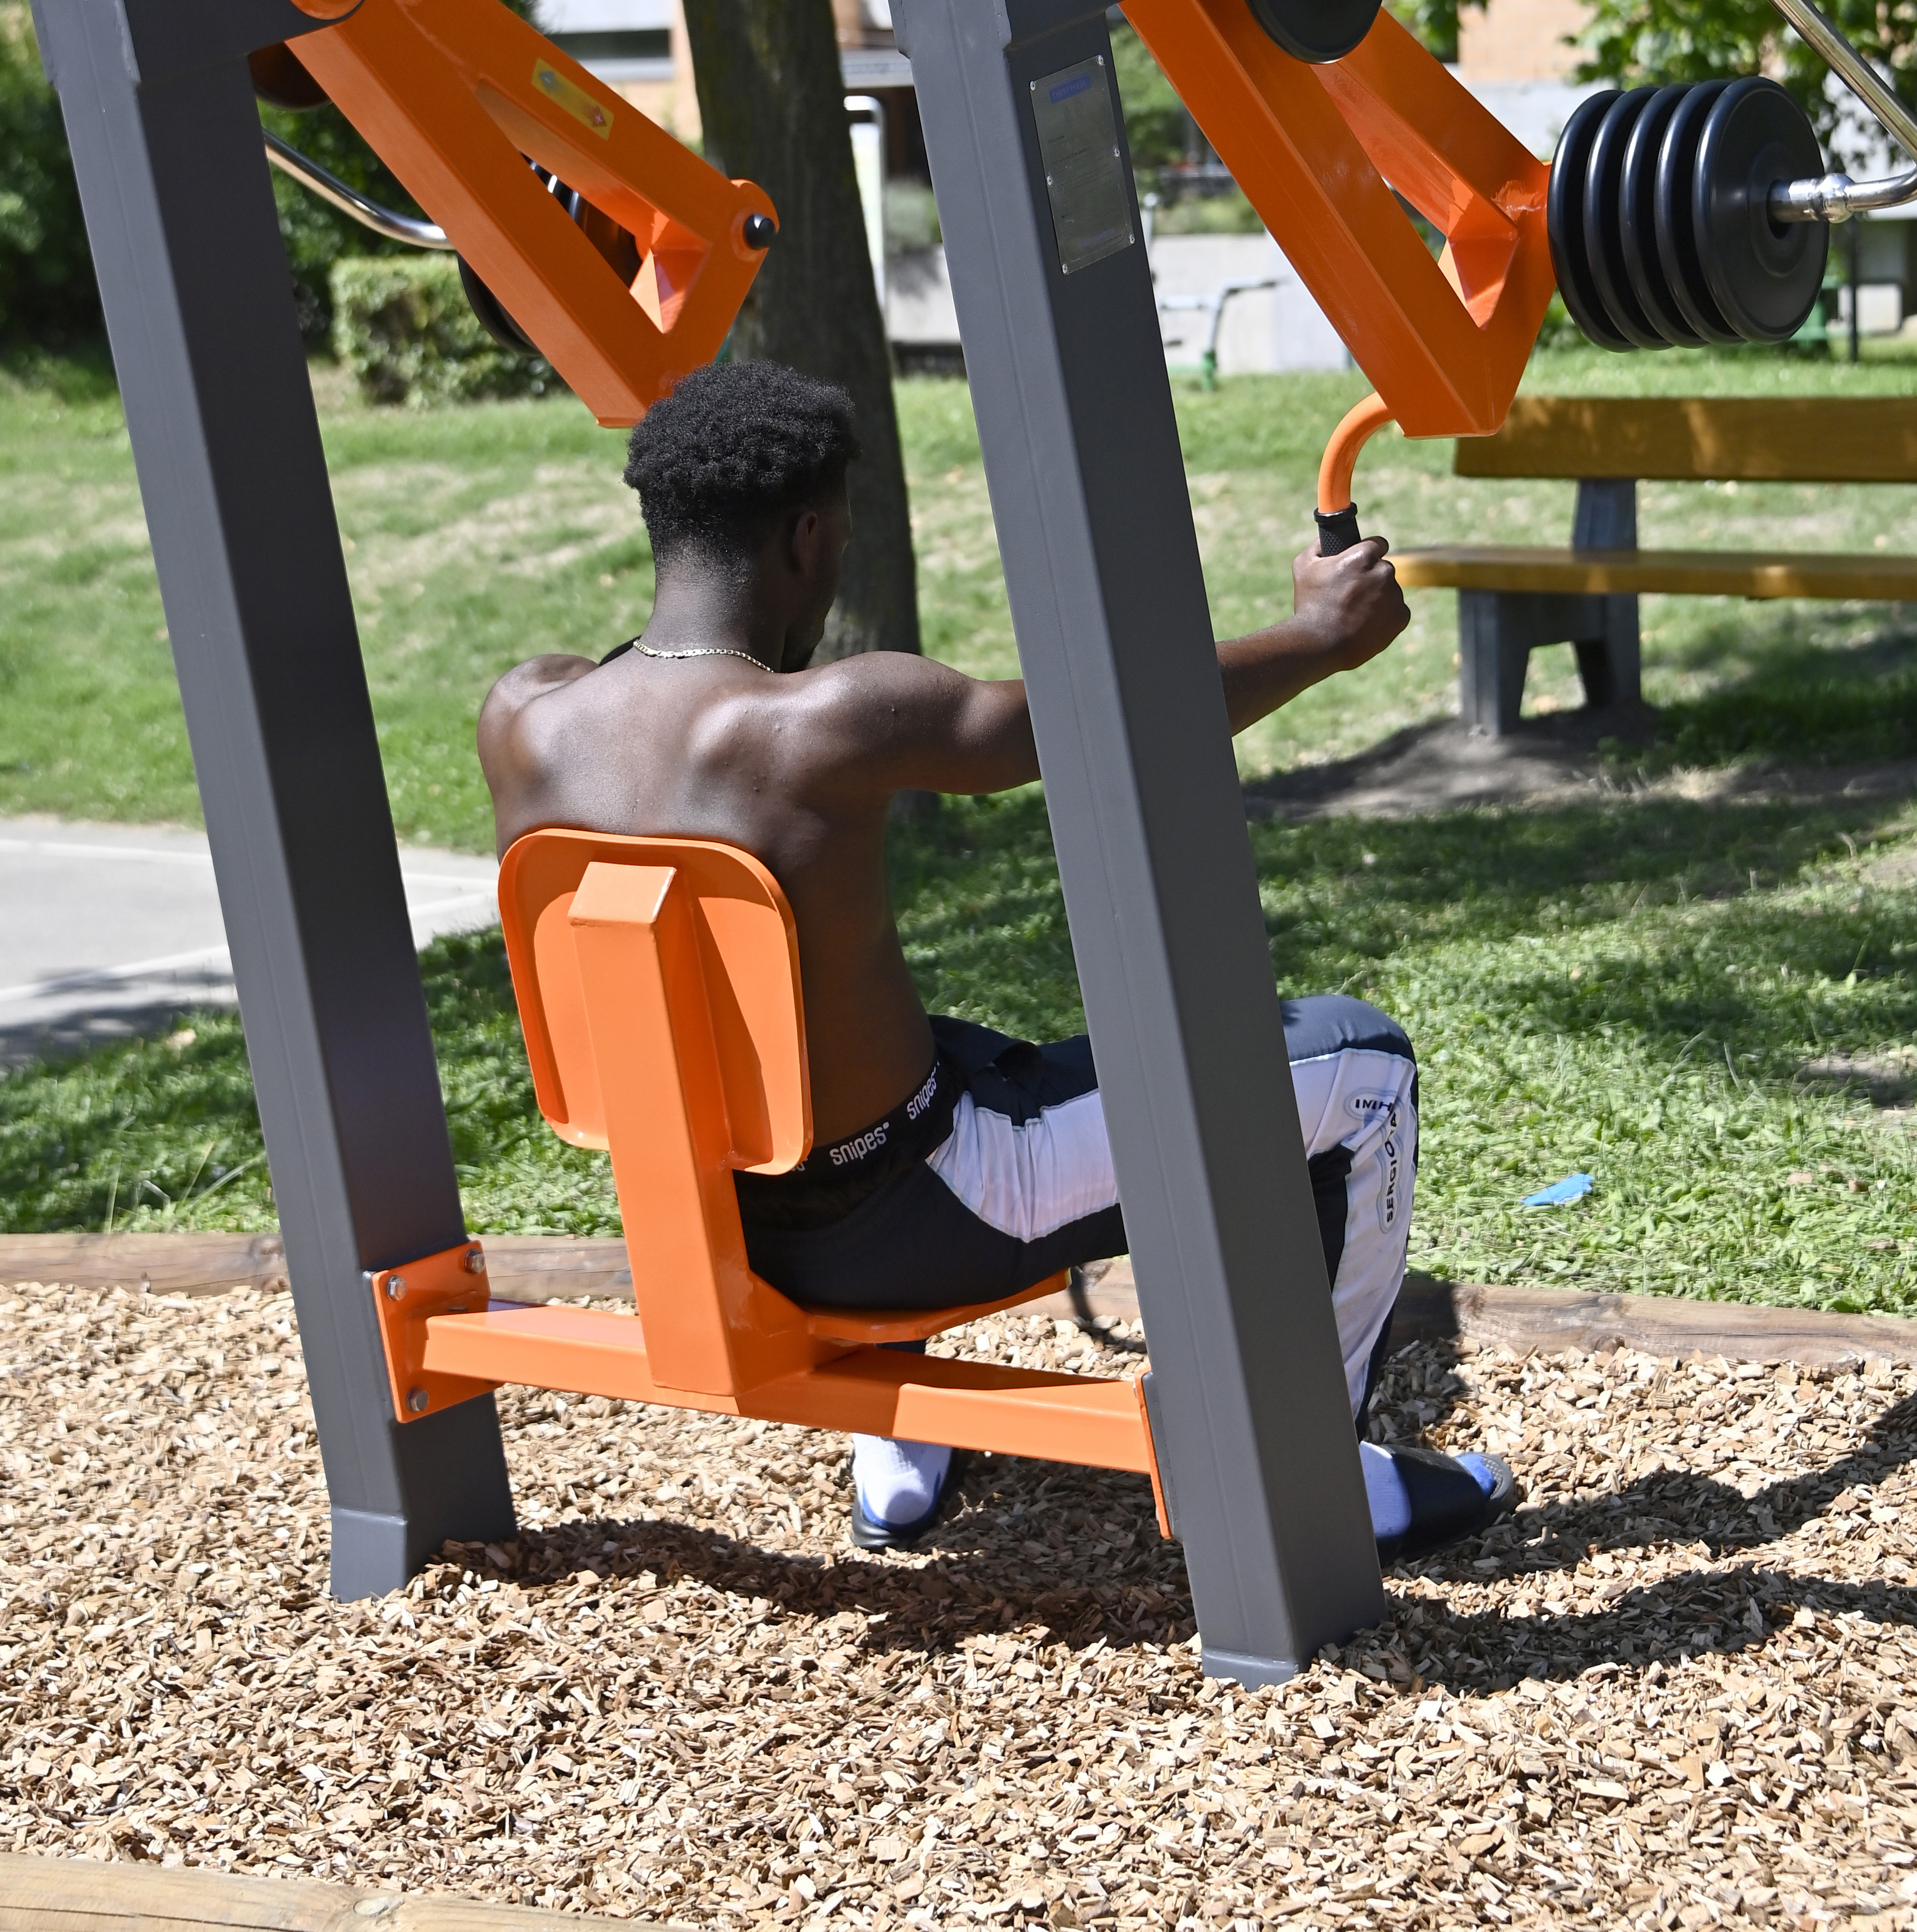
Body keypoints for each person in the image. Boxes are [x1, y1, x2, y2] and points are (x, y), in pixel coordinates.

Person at [479, 359, 1514, 1560]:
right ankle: (1317, 1480)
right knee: (1361, 1063)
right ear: (807, 535)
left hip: (711, 1218)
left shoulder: (526, 715)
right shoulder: (830, 719)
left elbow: (651, 686)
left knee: (913, 1051)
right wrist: (1316, 637)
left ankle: (901, 1460)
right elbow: (1101, 727)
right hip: (924, 1214)